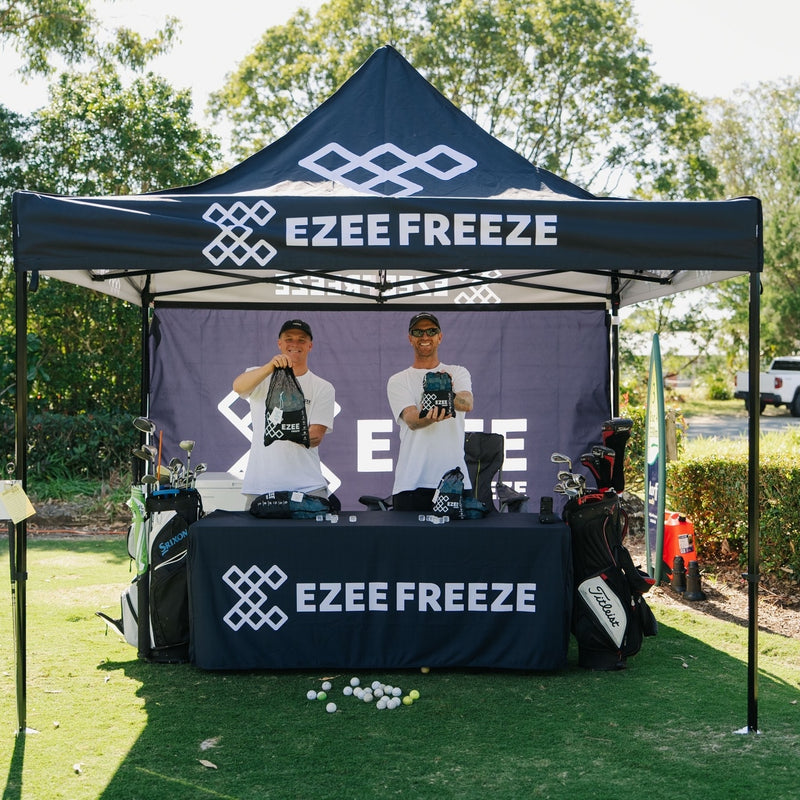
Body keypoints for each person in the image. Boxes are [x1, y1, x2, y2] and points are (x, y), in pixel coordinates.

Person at [233, 319, 335, 504]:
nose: (295, 344)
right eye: (289, 339)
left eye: (301, 340)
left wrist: (279, 430)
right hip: (260, 485)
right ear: (279, 343)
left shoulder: (322, 387)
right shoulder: (260, 374)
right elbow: (239, 387)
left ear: (310, 346)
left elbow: (315, 437)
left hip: (308, 486)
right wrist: (270, 367)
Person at [387, 312, 474, 511]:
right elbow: (412, 420)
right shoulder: (398, 380)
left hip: (455, 480)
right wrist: (431, 414)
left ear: (439, 337)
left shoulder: (457, 372)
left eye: (431, 331)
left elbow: (467, 403)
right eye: (418, 332)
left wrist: (446, 393)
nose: (425, 336)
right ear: (410, 338)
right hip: (411, 483)